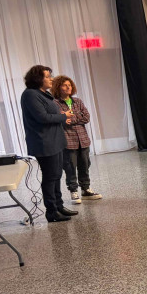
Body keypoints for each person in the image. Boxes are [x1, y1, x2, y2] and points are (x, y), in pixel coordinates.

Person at [20, 65, 79, 223]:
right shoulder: (30, 95)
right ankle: (51, 212)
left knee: (57, 175)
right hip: (44, 143)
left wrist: (61, 117)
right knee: (50, 177)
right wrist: (63, 116)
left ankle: (59, 206)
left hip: (55, 141)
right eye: (47, 76)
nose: (51, 79)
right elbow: (42, 118)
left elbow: (50, 114)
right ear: (38, 79)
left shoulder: (43, 94)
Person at [50, 75, 102, 204]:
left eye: (70, 85)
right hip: (68, 140)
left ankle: (86, 190)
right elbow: (61, 121)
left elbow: (87, 118)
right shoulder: (54, 103)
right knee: (70, 167)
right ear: (58, 87)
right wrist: (71, 117)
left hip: (83, 139)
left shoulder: (77, 101)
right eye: (64, 85)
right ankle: (73, 191)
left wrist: (70, 118)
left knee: (85, 165)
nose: (68, 87)